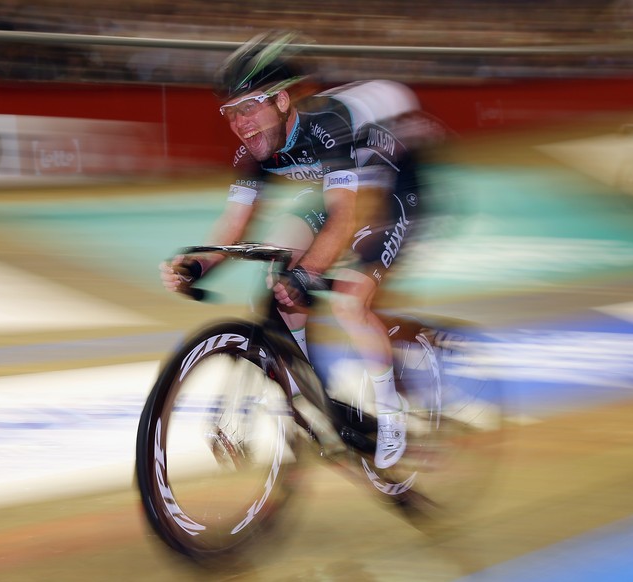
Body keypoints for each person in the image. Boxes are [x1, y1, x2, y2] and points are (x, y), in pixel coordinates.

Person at [160, 31, 438, 469]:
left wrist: (309, 274)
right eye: (231, 112)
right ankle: (317, 392)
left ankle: (392, 416)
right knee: (277, 278)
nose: (241, 123)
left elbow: (343, 218)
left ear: (282, 102)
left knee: (350, 299)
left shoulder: (328, 126)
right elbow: (235, 225)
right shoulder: (253, 150)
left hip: (399, 184)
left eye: (250, 107)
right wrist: (198, 262)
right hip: (348, 187)